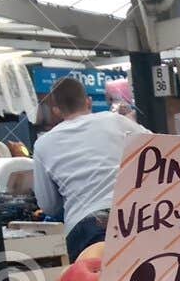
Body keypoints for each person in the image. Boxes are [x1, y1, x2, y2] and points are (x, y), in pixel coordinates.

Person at [31, 76, 149, 261]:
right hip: (132, 217)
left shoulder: (42, 144)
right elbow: (158, 149)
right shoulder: (116, 121)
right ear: (89, 101)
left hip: (84, 227)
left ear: (56, 110)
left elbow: (48, 205)